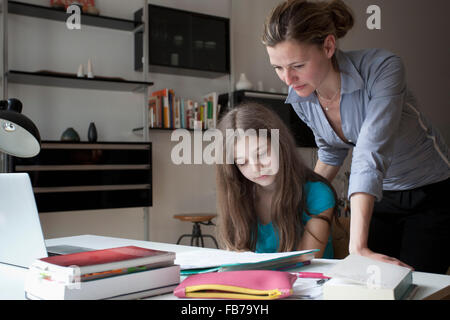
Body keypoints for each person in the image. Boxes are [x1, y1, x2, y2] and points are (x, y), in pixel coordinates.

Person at [262, 0, 450, 273]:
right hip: (379, 196)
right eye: (278, 68)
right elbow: (330, 151)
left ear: (328, 47)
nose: (288, 79)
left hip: (428, 192)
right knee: (372, 281)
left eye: (297, 65)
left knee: (418, 283)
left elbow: (370, 150)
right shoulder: (303, 97)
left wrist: (357, 247)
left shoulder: (383, 68)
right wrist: (296, 202)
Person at [215, 102, 341, 258]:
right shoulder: (239, 194)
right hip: (260, 281)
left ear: (281, 144)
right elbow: (236, 257)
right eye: (242, 162)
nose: (256, 168)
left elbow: (305, 261)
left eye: (261, 154)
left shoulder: (318, 193)